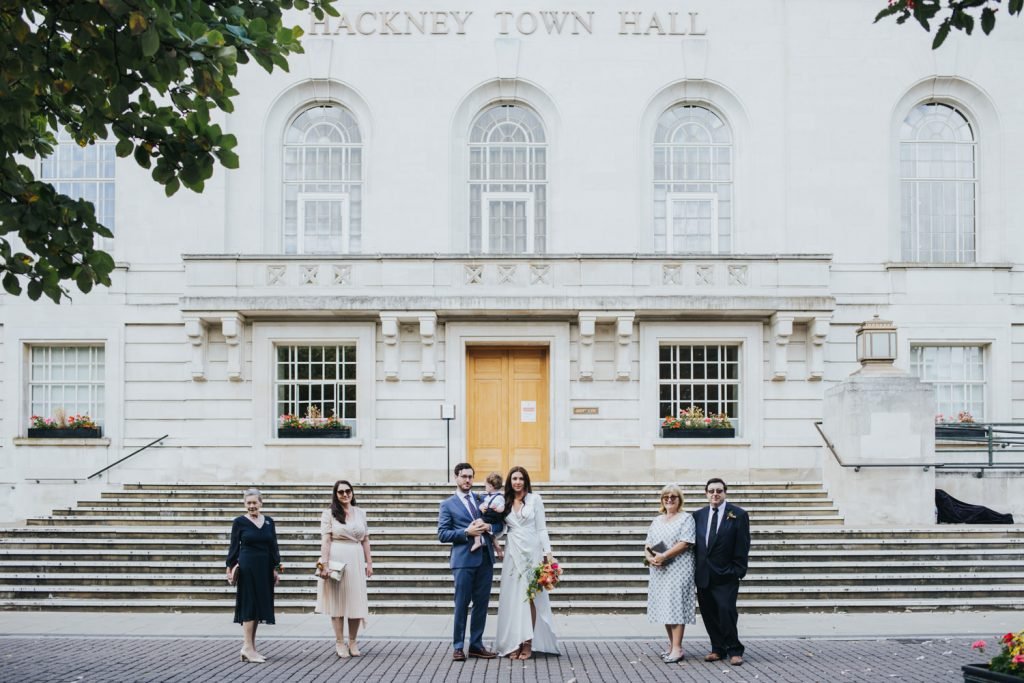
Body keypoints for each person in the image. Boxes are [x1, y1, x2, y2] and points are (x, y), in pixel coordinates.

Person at [437, 462, 503, 661]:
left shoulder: (483, 499)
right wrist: (466, 532)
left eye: (470, 477)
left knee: (481, 605)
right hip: (464, 561)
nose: (467, 480)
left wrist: (489, 527)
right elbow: (442, 534)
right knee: (461, 604)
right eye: (464, 476)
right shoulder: (447, 504)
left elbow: (498, 522)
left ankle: (476, 645)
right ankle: (458, 646)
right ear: (456, 478)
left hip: (485, 559)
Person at [495, 466, 559, 660]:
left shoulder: (535, 499)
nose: (517, 482)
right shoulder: (504, 502)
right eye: (514, 478)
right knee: (513, 598)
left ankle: (528, 643)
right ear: (509, 481)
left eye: (521, 478)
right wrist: (494, 541)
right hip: (512, 553)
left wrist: (548, 554)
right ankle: (514, 642)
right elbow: (499, 528)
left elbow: (541, 529)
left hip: (532, 553)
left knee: (529, 598)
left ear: (526, 480)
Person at [693, 478, 751, 666]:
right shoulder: (698, 515)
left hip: (727, 574)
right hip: (703, 574)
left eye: (719, 490)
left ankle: (735, 650)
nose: (715, 494)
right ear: (706, 493)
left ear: (725, 492)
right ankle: (718, 649)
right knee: (709, 613)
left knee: (727, 611)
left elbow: (743, 544)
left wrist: (738, 570)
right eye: (711, 491)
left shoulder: (738, 514)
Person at [316, 480, 373, 658]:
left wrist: (369, 563)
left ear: (352, 492)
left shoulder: (360, 513)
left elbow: (365, 539)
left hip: (356, 557)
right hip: (337, 557)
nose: (345, 494)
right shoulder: (329, 514)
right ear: (336, 494)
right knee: (338, 602)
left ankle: (353, 641)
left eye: (348, 491)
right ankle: (340, 642)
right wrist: (324, 564)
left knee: (356, 601)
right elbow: (326, 540)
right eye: (341, 492)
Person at [225, 488, 281, 663]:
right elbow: (234, 546)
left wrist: (275, 567)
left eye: (254, 502)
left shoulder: (269, 522)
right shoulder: (239, 522)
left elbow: (273, 545)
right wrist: (230, 566)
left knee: (259, 606)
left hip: (264, 567)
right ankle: (247, 647)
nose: (251, 506)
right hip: (248, 566)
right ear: (244, 504)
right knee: (250, 604)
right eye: (248, 503)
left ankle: (251, 647)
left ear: (261, 503)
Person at [644, 483, 696, 664]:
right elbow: (648, 544)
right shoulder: (657, 520)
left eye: (673, 496)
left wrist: (664, 555)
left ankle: (678, 648)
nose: (669, 499)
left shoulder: (686, 518)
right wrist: (650, 558)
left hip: (679, 569)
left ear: (679, 499)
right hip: (659, 570)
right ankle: (672, 645)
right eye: (666, 497)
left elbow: (685, 542)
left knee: (676, 607)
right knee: (665, 607)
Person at [471, 472, 505, 558]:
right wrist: (481, 507)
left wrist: (498, 509)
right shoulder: (487, 497)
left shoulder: (499, 497)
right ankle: (492, 545)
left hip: (492, 516)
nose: (484, 487)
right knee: (481, 525)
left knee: (477, 522)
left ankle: (477, 541)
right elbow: (483, 505)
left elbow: (502, 508)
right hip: (488, 515)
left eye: (485, 485)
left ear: (491, 486)